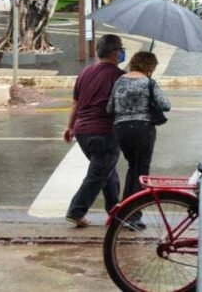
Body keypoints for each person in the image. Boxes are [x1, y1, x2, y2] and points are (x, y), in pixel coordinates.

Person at [64, 34, 126, 227]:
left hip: (83, 131)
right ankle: (76, 211)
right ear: (115, 52)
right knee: (98, 174)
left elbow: (76, 103)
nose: (123, 52)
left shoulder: (85, 72)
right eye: (121, 48)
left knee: (108, 172)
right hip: (104, 132)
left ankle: (115, 211)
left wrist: (70, 127)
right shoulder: (119, 76)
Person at [107, 51, 170, 229]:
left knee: (133, 168)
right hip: (143, 130)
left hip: (121, 130)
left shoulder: (119, 81)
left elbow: (109, 107)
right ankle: (134, 216)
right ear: (149, 67)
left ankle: (124, 211)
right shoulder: (148, 83)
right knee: (141, 172)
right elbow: (166, 105)